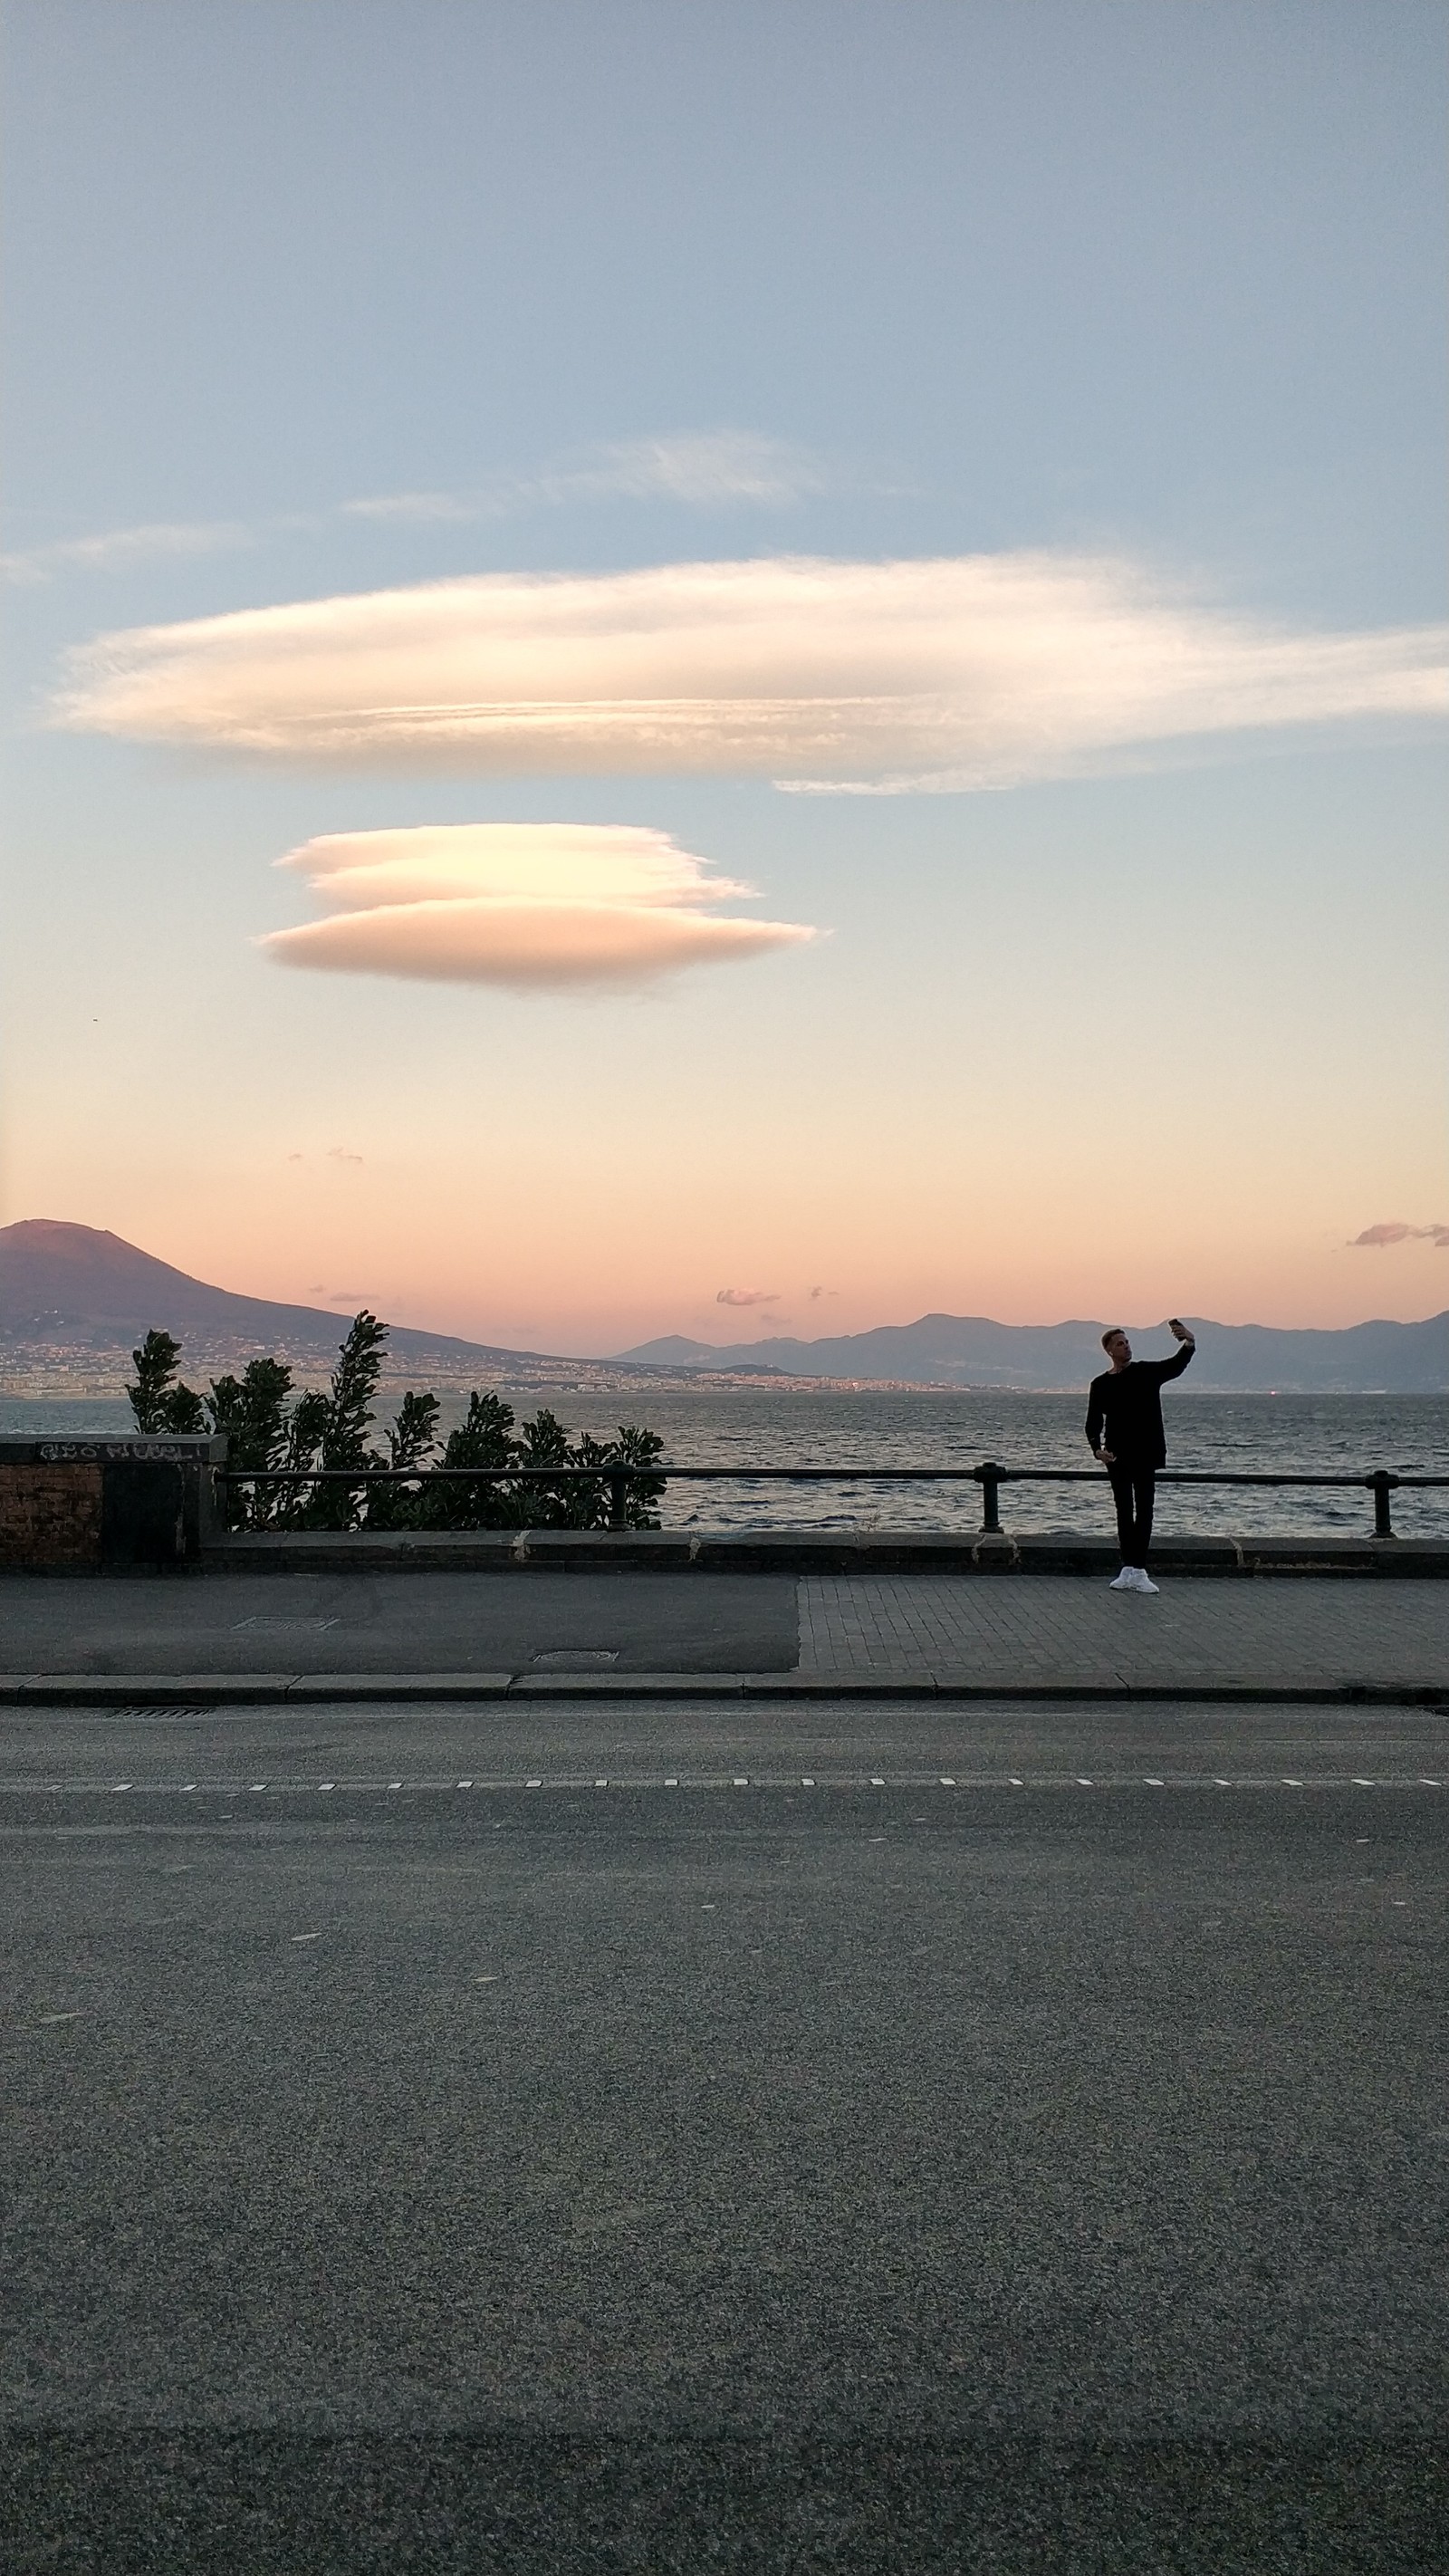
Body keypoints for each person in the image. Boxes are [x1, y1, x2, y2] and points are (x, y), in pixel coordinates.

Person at [1085, 1319, 1196, 1593]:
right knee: (1124, 1510)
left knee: (1144, 1510)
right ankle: (1127, 1568)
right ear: (1109, 1350)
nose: (1126, 1347)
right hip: (1117, 1456)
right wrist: (1097, 1449)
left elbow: (1174, 1365)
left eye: (1127, 1342)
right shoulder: (1100, 1384)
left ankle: (1140, 1569)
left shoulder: (1145, 1373)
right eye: (1120, 1344)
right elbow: (1093, 1420)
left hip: (1145, 1454)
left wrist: (1189, 1343)